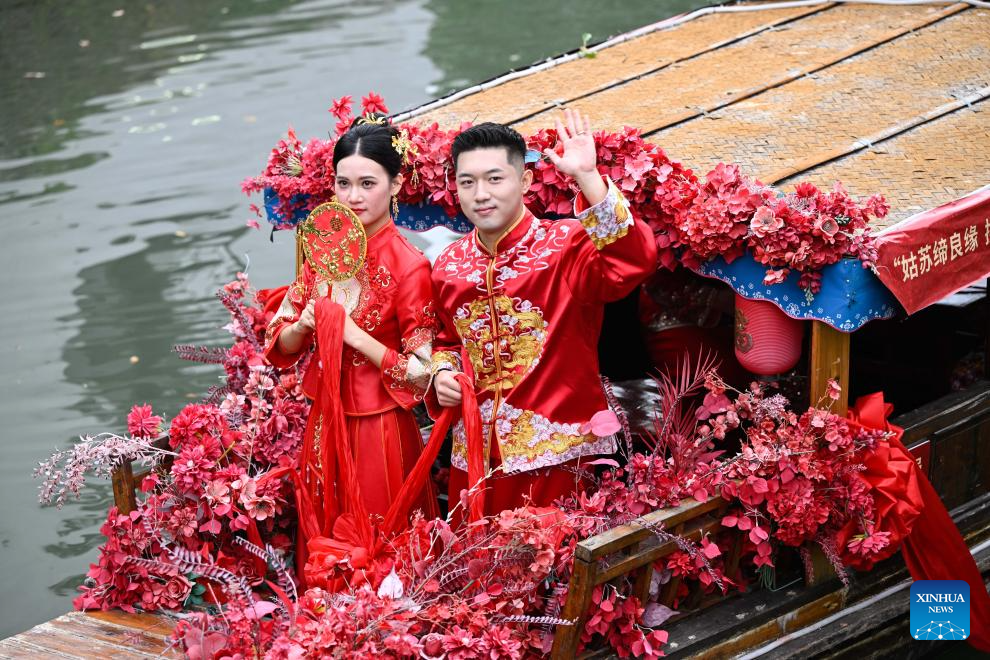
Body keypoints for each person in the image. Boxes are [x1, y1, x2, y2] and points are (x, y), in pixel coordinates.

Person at [429, 109, 658, 516]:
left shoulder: (565, 245)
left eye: (495, 178)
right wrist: (443, 372)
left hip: (561, 455)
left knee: (557, 571)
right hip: (478, 459)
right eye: (468, 182)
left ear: (526, 180)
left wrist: (588, 177)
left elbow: (632, 260)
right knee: (481, 572)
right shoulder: (448, 266)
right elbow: (447, 340)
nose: (481, 193)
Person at [264, 115, 439, 527]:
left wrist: (354, 336)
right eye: (344, 184)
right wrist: (304, 325)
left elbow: (424, 373)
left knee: (377, 539)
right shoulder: (322, 253)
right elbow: (278, 342)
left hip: (380, 428)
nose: (353, 197)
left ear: (395, 185)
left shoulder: (410, 267)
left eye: (368, 184)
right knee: (323, 530)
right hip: (324, 419)